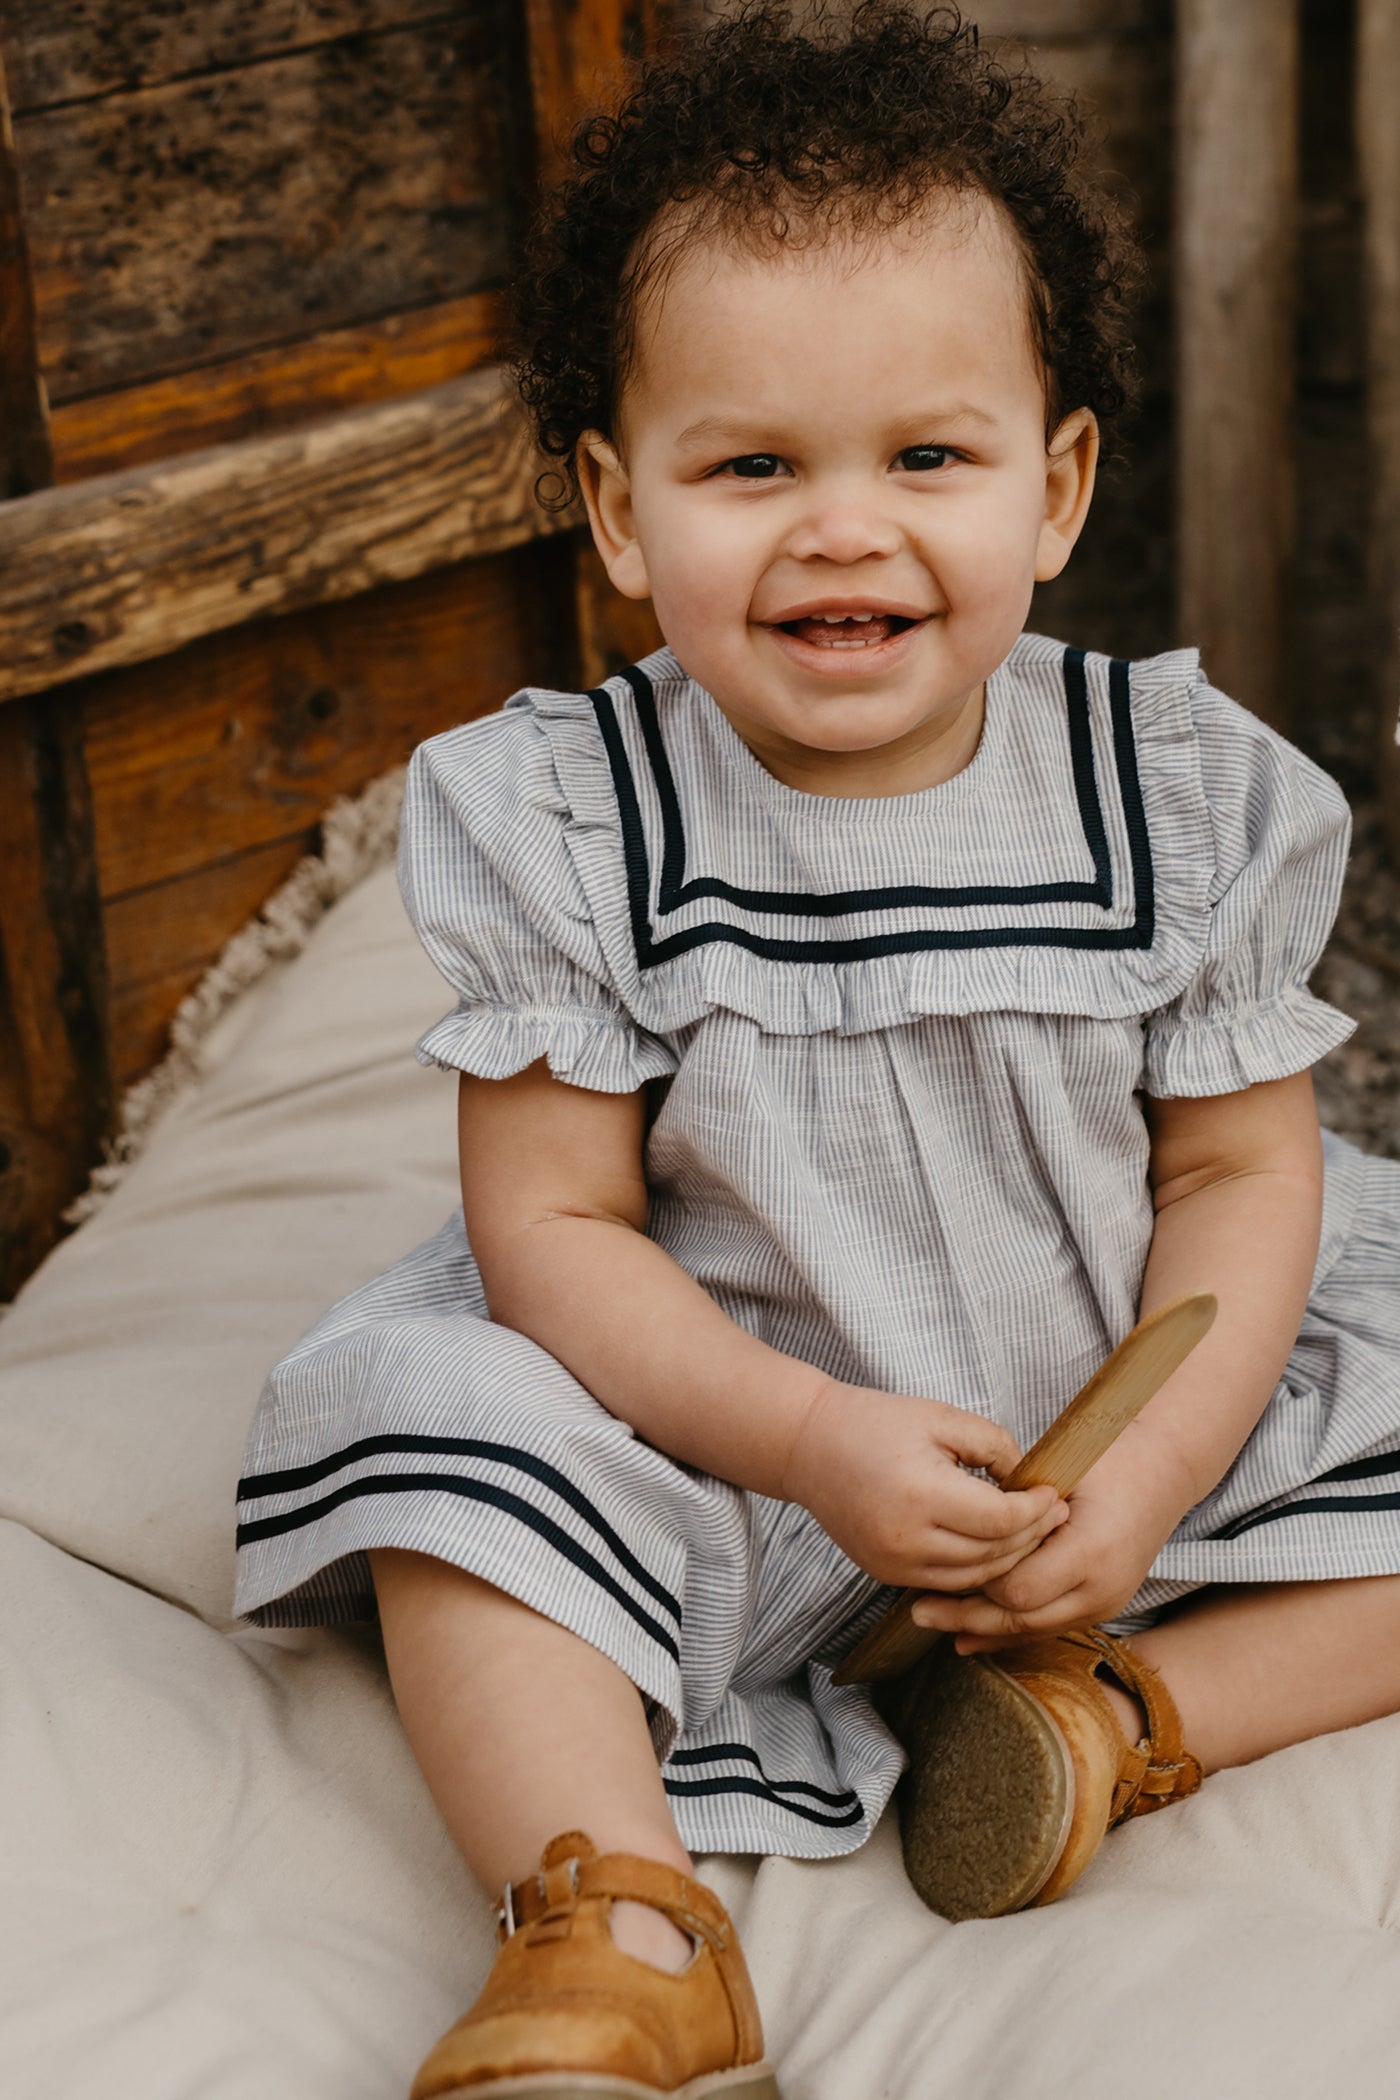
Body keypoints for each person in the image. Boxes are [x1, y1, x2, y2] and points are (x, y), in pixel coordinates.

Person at [234, 6, 1400, 2095]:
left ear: (1052, 491)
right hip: (725, 1444)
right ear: (615, 507)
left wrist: (1145, 1472)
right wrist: (802, 1446)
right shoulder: (574, 819)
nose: (841, 529)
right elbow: (555, 1228)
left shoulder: (1177, 792)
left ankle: (1118, 1716)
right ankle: (615, 1915)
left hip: (1126, 1427)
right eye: (751, 465)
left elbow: (1239, 1179)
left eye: (924, 459)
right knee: (435, 1440)